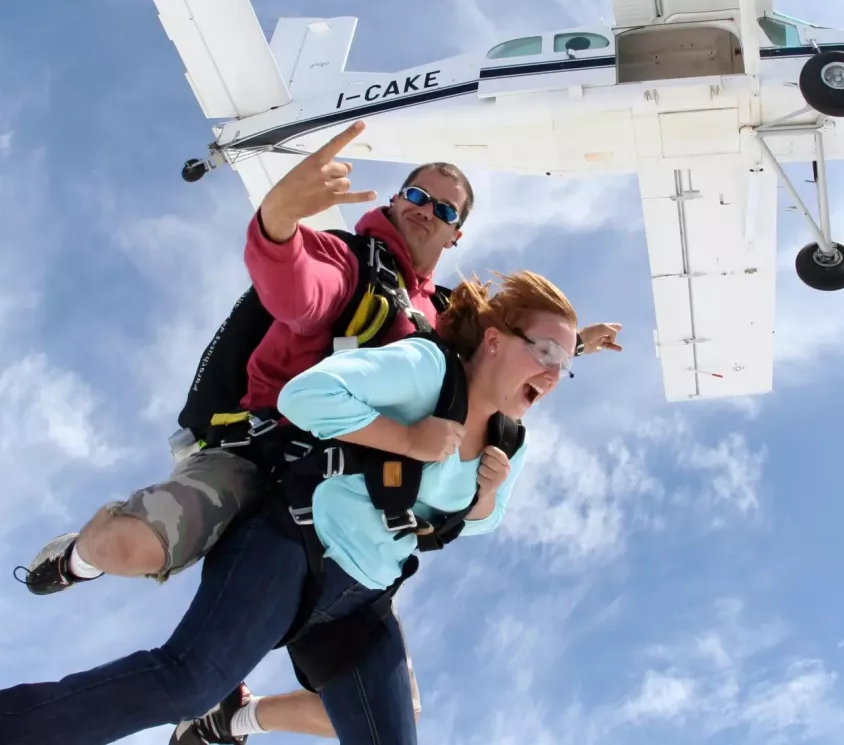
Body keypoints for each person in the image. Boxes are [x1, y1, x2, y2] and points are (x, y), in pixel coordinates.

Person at [14, 120, 624, 742]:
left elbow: (496, 356)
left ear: (456, 232)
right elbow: (301, 290)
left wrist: (569, 348)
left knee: (388, 716)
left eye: (443, 209)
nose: (425, 212)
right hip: (259, 451)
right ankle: (75, 559)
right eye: (416, 196)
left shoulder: (444, 325)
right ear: (393, 200)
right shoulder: (354, 265)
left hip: (356, 554)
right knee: (139, 568)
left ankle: (228, 721)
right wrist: (277, 224)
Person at [0, 267, 581, 745]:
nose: (555, 372)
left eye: (568, 363)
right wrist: (408, 439)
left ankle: (223, 726)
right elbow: (305, 397)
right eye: (548, 350)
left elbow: (482, 523)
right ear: (496, 340)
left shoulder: (511, 440)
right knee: (189, 682)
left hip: (360, 604)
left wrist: (483, 496)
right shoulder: (427, 371)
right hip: (292, 544)